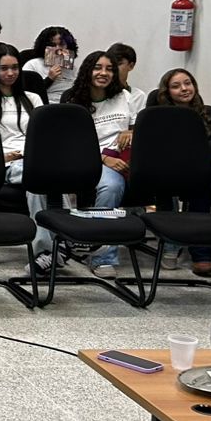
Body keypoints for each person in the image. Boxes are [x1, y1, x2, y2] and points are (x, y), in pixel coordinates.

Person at [0, 52, 55, 273]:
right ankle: (49, 249)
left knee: (50, 177)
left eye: (15, 68)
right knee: (38, 178)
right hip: (4, 163)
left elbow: (44, 136)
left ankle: (54, 246)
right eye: (4, 68)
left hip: (33, 160)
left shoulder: (33, 99)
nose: (10, 73)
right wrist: (0, 157)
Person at [148, 68, 211, 276]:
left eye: (188, 83)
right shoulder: (161, 116)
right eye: (176, 86)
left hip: (204, 172)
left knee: (204, 183)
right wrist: (206, 157)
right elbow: (165, 149)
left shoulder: (208, 111)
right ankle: (170, 246)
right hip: (170, 169)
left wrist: (200, 157)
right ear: (167, 92)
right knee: (170, 182)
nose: (184, 89)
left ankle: (201, 254)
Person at [59, 51, 135, 278]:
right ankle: (93, 251)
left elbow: (137, 126)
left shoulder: (123, 96)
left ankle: (100, 252)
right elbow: (69, 141)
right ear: (88, 71)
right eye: (98, 68)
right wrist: (104, 158)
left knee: (116, 185)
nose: (104, 73)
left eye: (109, 69)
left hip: (120, 159)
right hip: (85, 159)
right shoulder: (72, 99)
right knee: (108, 185)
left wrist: (131, 131)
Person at [22, 26, 79, 103]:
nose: (57, 48)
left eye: (61, 44)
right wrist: (49, 79)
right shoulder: (33, 65)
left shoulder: (73, 68)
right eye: (52, 45)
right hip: (43, 105)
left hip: (68, 104)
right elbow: (26, 93)